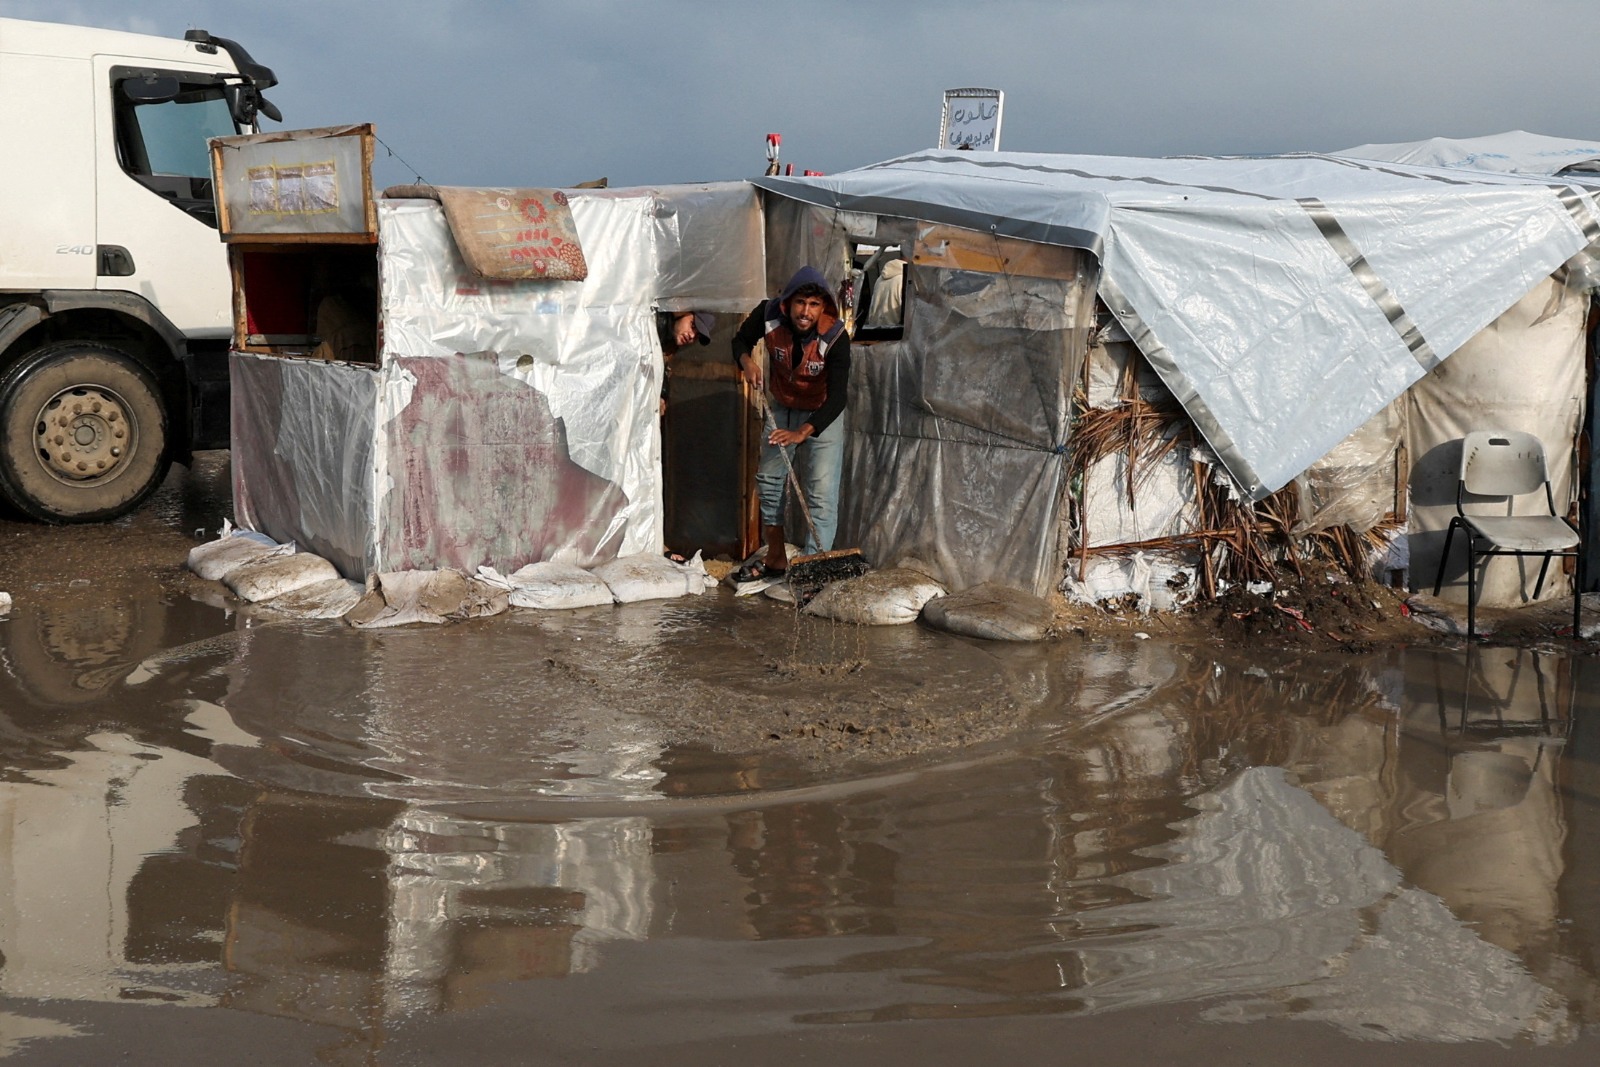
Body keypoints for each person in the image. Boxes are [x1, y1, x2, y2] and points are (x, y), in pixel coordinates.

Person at [730, 266, 851, 581]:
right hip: (782, 406)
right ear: (787, 303)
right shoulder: (769, 314)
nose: (805, 312)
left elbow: (838, 399)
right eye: (800, 303)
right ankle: (776, 557)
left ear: (823, 307)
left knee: (821, 492)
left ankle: (812, 570)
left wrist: (802, 432)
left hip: (822, 415)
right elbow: (740, 341)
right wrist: (747, 362)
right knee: (769, 481)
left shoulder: (836, 336)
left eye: (813, 305)